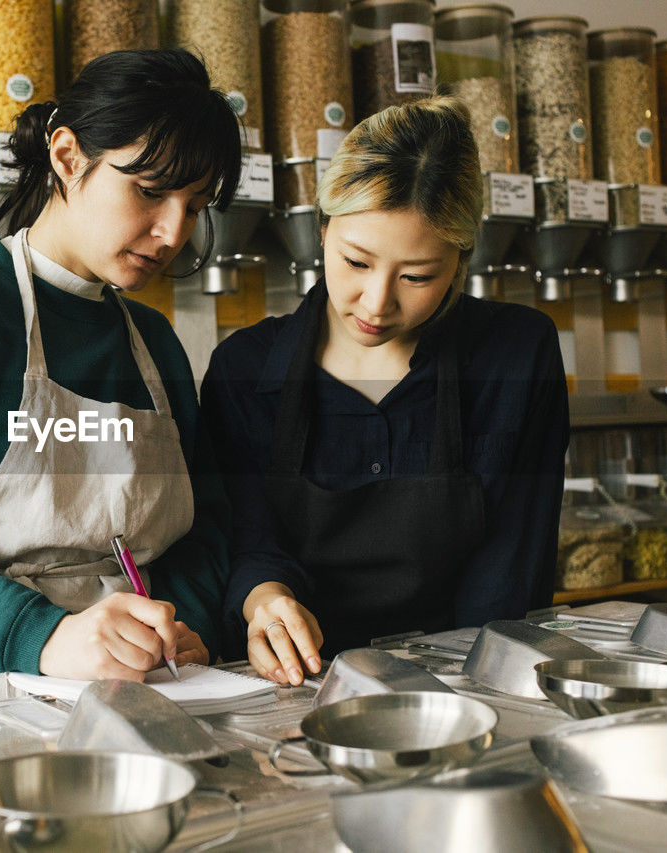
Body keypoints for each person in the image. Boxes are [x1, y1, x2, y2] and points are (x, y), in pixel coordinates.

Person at [0, 48, 242, 724]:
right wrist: (45, 634)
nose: (173, 231)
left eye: (194, 205)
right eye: (149, 190)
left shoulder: (156, 343)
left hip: (132, 705)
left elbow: (205, 533)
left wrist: (182, 621)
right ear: (66, 155)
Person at [200, 96, 568, 685]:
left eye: (417, 276)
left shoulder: (516, 356)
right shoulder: (245, 368)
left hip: (468, 680)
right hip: (295, 686)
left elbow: (511, 569)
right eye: (356, 262)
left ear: (460, 261)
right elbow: (248, 537)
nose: (376, 303)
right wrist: (264, 598)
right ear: (322, 231)